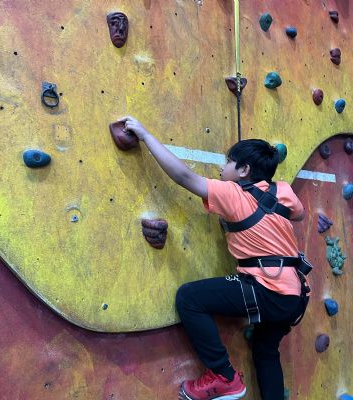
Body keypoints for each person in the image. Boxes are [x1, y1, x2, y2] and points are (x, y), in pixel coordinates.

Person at [119, 116, 311, 400]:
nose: (222, 167)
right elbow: (299, 214)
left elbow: (185, 177)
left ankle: (224, 376)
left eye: (228, 162)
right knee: (265, 350)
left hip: (267, 289)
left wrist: (145, 135)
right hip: (295, 296)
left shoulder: (232, 193)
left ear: (244, 170)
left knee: (189, 298)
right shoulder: (283, 191)